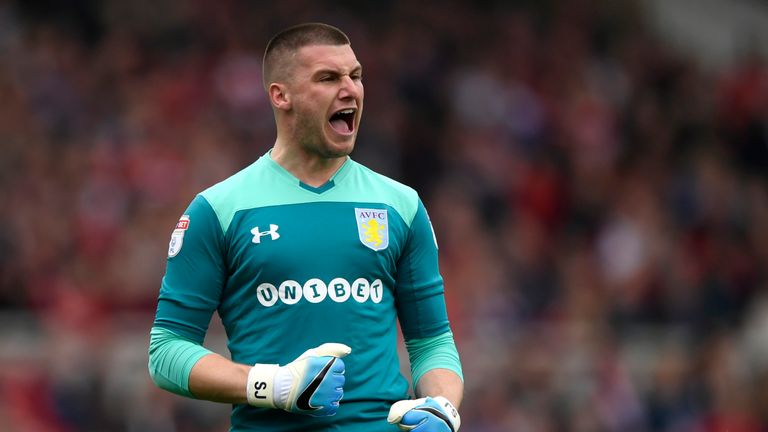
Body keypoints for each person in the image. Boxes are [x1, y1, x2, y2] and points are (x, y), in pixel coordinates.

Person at [148, 22, 463, 432]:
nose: (350, 89)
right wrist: (272, 385)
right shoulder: (219, 209)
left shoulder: (400, 205)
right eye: (328, 78)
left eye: (356, 75)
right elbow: (167, 351)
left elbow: (432, 341)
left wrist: (442, 406)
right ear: (281, 95)